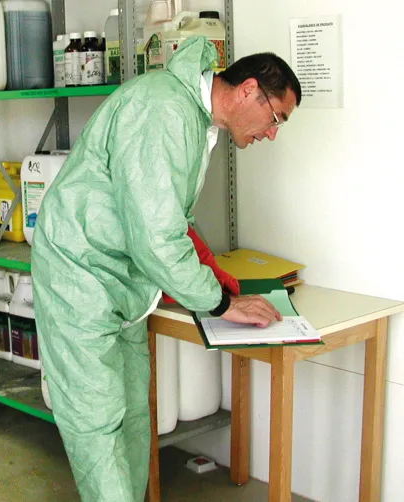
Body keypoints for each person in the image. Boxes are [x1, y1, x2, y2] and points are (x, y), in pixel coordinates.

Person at [31, 36, 301, 502]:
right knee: (97, 421)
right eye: (276, 118)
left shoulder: (196, 120)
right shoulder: (163, 110)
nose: (272, 134)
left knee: (135, 413)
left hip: (125, 282)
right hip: (81, 273)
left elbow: (167, 215)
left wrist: (208, 270)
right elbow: (155, 236)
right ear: (248, 90)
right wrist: (221, 302)